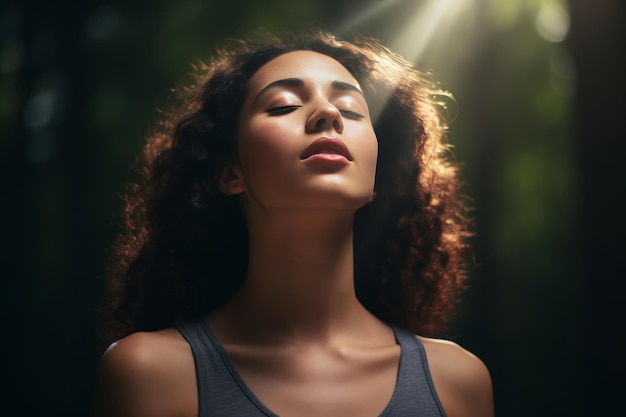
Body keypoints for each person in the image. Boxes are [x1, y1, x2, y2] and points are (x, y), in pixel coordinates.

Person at [92, 29, 494, 417]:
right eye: (284, 105)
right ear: (230, 173)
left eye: (352, 109)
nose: (328, 113)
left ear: (376, 180)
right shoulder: (150, 374)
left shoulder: (457, 382)